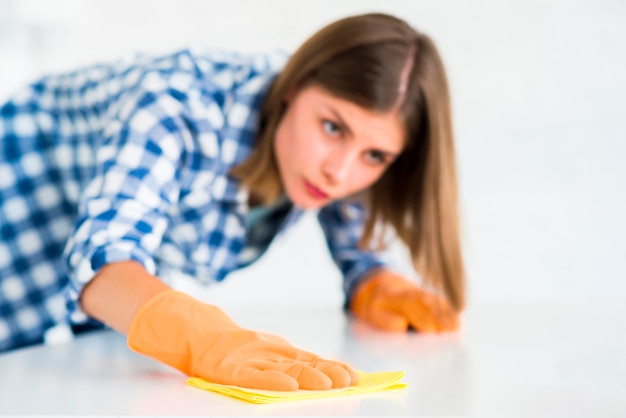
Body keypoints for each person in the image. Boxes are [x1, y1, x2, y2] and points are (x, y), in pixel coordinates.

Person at [0, 12, 465, 390]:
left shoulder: (328, 160)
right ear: (293, 89)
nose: (340, 172)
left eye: (375, 155)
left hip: (57, 302)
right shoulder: (177, 103)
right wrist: (203, 337)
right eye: (333, 128)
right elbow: (102, 263)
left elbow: (356, 243)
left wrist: (374, 280)